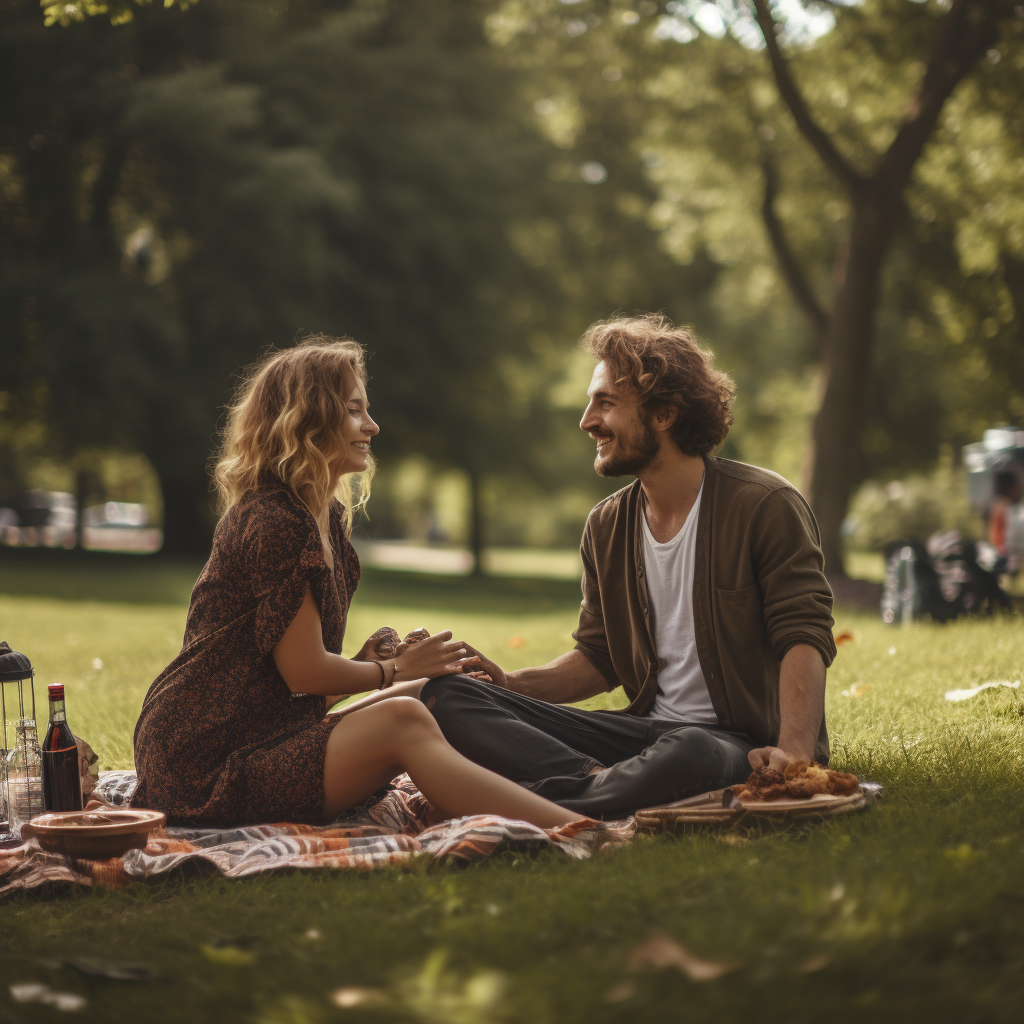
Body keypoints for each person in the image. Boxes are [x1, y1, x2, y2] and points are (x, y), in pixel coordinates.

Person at [132, 336, 586, 831]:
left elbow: (275, 687)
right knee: (403, 719)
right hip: (202, 765)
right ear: (306, 420)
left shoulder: (319, 515)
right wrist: (391, 668)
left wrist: (378, 669)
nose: (372, 426)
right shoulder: (272, 520)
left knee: (424, 694)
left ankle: (585, 781)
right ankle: (582, 828)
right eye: (354, 411)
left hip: (254, 734)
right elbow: (304, 675)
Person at [422, 315, 837, 820]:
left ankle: (531, 801)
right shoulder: (606, 525)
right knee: (446, 697)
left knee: (690, 752)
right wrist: (509, 685)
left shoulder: (765, 504)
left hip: (736, 744)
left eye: (606, 403)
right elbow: (600, 655)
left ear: (663, 415)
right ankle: (593, 785)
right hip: (641, 739)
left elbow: (803, 633)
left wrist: (793, 753)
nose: (586, 421)